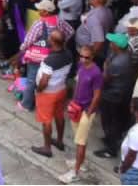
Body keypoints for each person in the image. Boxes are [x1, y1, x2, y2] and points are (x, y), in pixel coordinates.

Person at [60, 44, 103, 184]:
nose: (83, 59)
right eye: (82, 56)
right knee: (79, 140)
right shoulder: (81, 66)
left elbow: (97, 95)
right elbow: (78, 84)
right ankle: (80, 163)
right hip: (76, 108)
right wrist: (72, 102)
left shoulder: (96, 73)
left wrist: (89, 112)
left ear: (92, 57)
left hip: (85, 112)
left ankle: (75, 172)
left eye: (87, 57)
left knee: (80, 142)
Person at [31, 30, 73, 158]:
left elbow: (44, 81)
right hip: (61, 90)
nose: (48, 39)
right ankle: (59, 141)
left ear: (54, 42)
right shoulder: (69, 54)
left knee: (46, 121)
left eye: (50, 38)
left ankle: (47, 148)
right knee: (59, 116)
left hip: (48, 94)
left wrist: (38, 90)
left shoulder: (49, 61)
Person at [96, 33, 138, 160]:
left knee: (109, 121)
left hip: (113, 95)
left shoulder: (118, 63)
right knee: (116, 120)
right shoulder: (124, 55)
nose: (110, 44)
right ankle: (112, 138)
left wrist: (105, 68)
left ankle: (111, 148)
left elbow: (105, 78)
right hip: (122, 93)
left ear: (117, 46)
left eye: (112, 42)